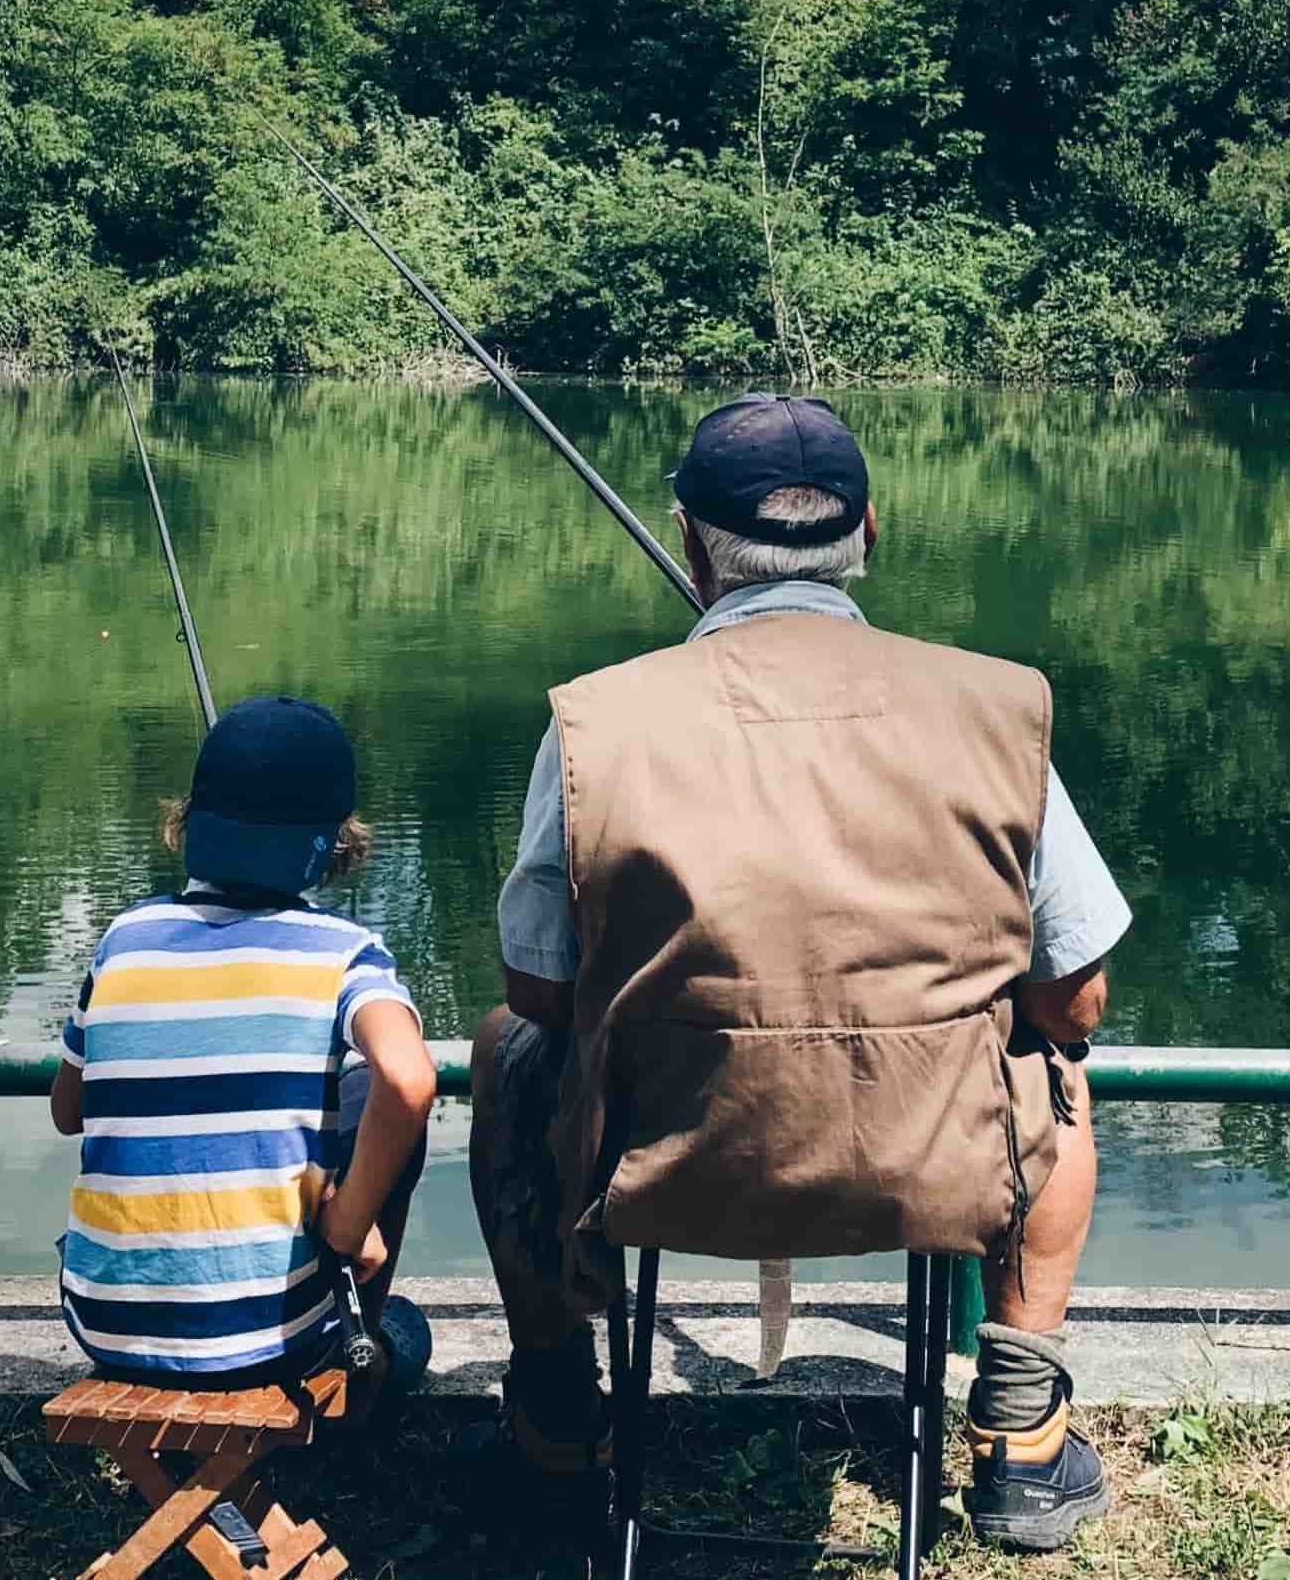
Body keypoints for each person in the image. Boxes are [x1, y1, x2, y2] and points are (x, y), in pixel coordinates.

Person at [469, 395, 1132, 1551]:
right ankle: (1022, 1436)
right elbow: (1072, 997)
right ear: (871, 530)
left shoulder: (593, 723)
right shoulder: (996, 706)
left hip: (659, 1166)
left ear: (688, 541)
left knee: (505, 1051)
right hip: (933, 1167)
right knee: (1058, 1071)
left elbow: (537, 992)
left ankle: (558, 1419)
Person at [50, 696, 437, 1393]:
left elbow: (67, 1111)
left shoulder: (123, 940)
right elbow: (408, 1081)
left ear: (190, 822)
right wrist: (349, 1223)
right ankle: (360, 1352)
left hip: (104, 1327)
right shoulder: (346, 953)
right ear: (332, 844)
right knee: (410, 1329)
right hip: (269, 1347)